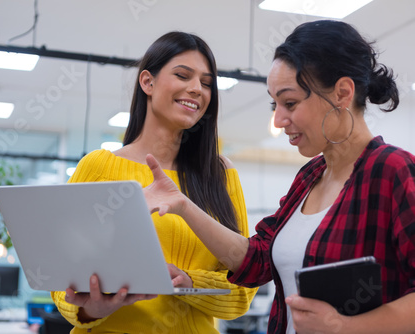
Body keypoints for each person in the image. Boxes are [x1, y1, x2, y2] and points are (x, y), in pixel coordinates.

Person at [143, 20, 415, 334]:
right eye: (275, 104)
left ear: (342, 93)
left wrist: (343, 326)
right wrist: (183, 205)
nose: (279, 119)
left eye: (290, 103)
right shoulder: (310, 177)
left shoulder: (393, 171)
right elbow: (256, 260)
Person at [51, 31, 257, 333]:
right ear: (147, 82)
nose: (197, 89)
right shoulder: (98, 167)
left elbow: (243, 290)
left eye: (206, 82)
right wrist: (89, 310)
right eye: (183, 75)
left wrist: (188, 283)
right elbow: (61, 278)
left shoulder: (221, 177)